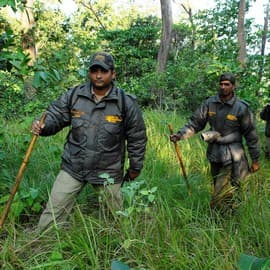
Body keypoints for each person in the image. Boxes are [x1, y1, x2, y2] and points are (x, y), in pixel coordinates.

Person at [31, 52, 147, 232]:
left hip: (108, 170)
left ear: (113, 74)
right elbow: (55, 115)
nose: (98, 75)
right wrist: (43, 125)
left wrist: (135, 167)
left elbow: (137, 137)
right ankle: (41, 246)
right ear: (89, 73)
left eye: (104, 71)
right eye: (94, 71)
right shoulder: (74, 95)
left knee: (119, 220)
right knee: (51, 216)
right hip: (74, 166)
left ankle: (123, 251)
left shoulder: (125, 102)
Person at [170, 72, 260, 213]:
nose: (223, 87)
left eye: (227, 84)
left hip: (233, 154)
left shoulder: (241, 107)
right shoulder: (210, 103)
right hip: (214, 152)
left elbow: (251, 135)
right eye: (221, 84)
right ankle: (230, 213)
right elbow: (195, 123)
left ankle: (215, 219)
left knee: (219, 191)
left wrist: (255, 159)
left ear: (233, 86)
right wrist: (180, 135)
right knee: (219, 184)